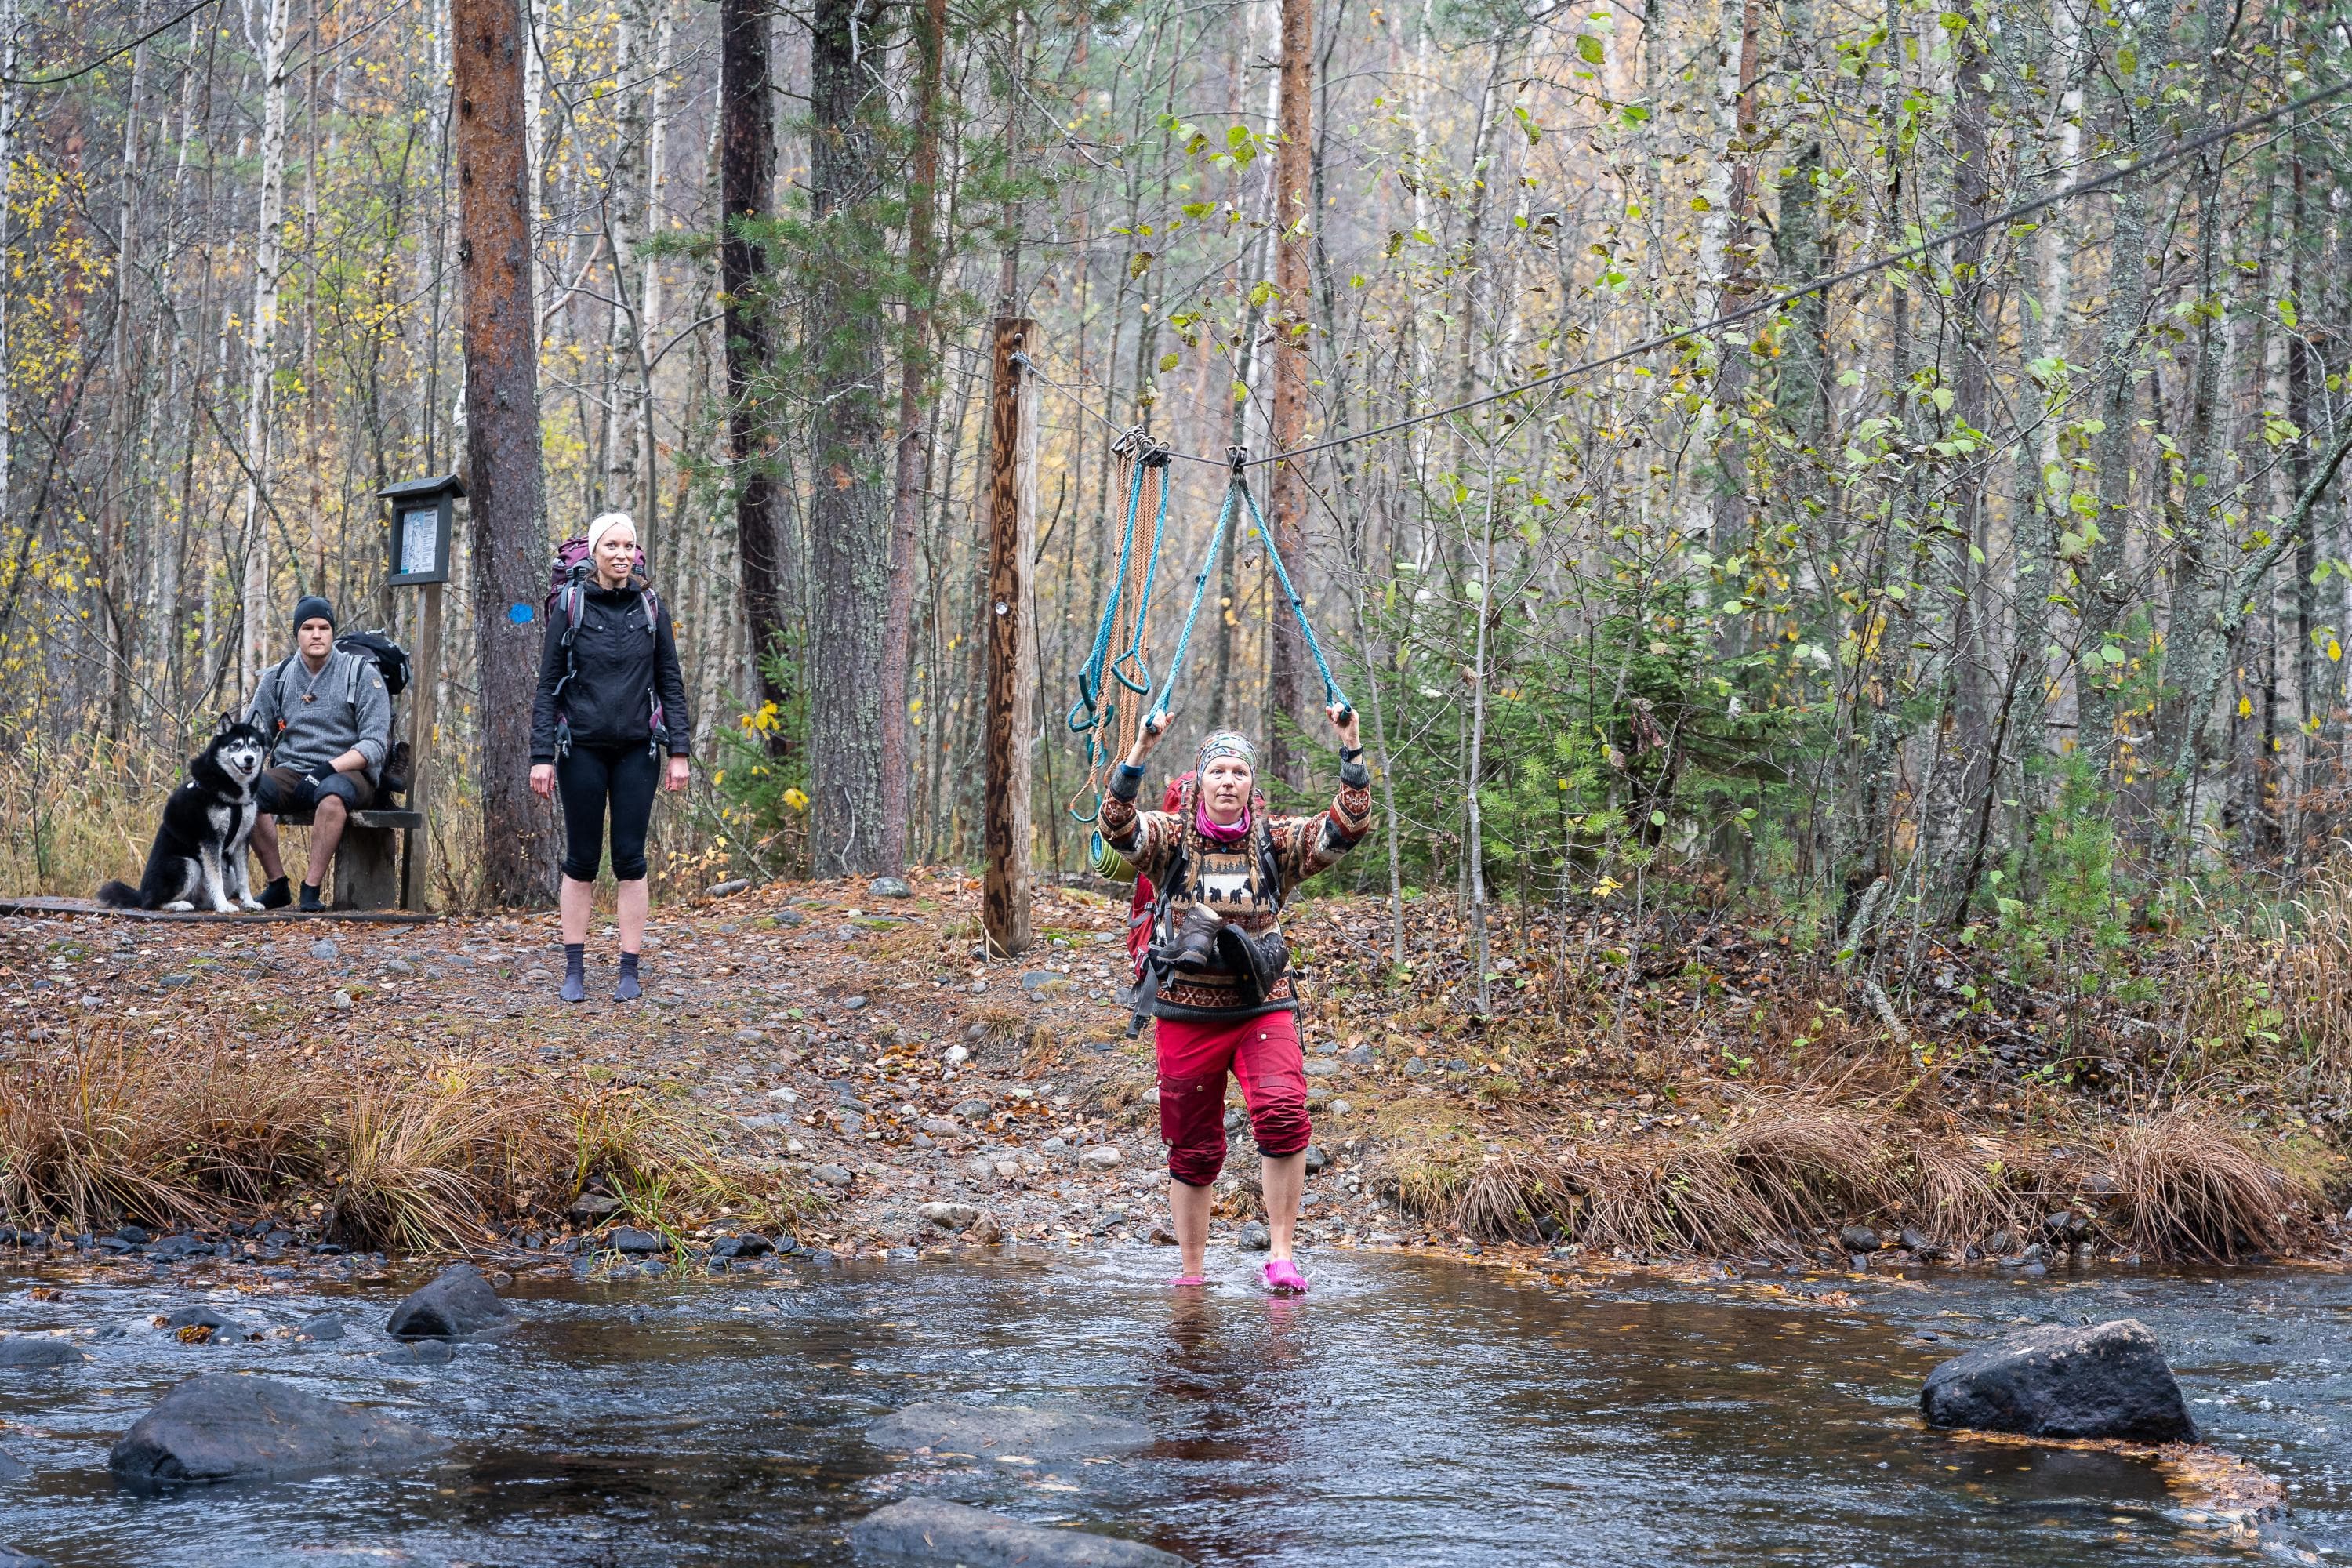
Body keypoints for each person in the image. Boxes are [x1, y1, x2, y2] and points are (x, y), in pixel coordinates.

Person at [1102, 705, 1373, 1294]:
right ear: (1199, 781)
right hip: (1186, 1011)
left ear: (1252, 784)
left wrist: (1351, 747)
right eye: (1218, 771)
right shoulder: (1171, 839)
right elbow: (1116, 825)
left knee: (1283, 1113)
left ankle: (1281, 1256)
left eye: (1239, 772)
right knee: (1192, 1145)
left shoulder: (1276, 842)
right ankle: (1192, 1274)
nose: (1228, 781)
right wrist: (1140, 752)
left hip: (1261, 1005)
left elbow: (1347, 827)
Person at [529, 512, 691, 1003]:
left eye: (628, 546)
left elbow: (670, 681)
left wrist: (679, 751)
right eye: (611, 546)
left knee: (630, 859)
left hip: (638, 750)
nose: (621, 555)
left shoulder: (650, 606)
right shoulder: (572, 605)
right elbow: (547, 686)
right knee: (580, 861)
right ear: (595, 553)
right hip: (580, 748)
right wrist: (541, 755)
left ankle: (629, 970)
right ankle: (574, 970)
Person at [248, 595, 394, 911]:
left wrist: (326, 770)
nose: (317, 634)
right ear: (297, 634)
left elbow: (374, 744)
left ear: (332, 632)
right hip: (293, 770)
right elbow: (254, 735)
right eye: (308, 628)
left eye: (324, 627)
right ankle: (277, 885)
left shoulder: (361, 674)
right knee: (246, 793)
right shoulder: (278, 677)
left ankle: (310, 890)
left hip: (348, 773)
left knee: (332, 796)